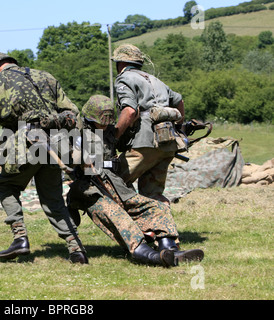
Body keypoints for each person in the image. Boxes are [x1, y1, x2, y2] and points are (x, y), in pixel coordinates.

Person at [0, 52, 88, 264]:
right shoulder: (45, 76)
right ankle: (76, 249)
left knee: (6, 187)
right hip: (55, 144)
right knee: (53, 199)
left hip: (25, 144)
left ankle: (20, 238)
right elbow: (72, 112)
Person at [67, 95, 203, 267]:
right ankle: (148, 255)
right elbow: (67, 158)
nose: (105, 125)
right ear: (89, 118)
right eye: (101, 122)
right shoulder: (78, 135)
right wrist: (79, 158)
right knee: (117, 215)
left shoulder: (110, 133)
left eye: (107, 121)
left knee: (155, 207)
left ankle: (170, 249)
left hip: (116, 184)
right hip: (89, 189)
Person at [112, 44, 186, 205]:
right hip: (168, 142)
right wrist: (179, 128)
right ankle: (162, 228)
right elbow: (179, 100)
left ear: (121, 63)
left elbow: (130, 111)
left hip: (144, 143)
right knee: (154, 194)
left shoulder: (124, 79)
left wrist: (115, 135)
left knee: (113, 182)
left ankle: (128, 227)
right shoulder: (155, 79)